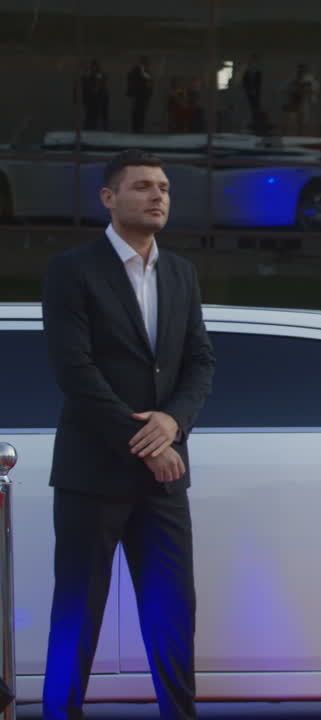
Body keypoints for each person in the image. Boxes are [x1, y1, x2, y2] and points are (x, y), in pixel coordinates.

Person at [41, 149, 216, 720]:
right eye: (142, 186)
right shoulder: (73, 270)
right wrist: (149, 443)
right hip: (92, 475)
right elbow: (75, 372)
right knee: (77, 614)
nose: (158, 195)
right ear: (109, 199)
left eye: (163, 186)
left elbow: (199, 362)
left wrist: (174, 422)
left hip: (164, 485)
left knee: (172, 617)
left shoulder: (181, 273)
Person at [126, 56, 153, 134]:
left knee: (142, 112)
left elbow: (149, 81)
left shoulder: (147, 71)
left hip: (145, 95)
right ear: (142, 62)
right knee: (136, 112)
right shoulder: (136, 69)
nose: (148, 63)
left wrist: (149, 88)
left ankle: (140, 129)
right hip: (138, 95)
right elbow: (131, 79)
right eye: (146, 61)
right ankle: (135, 129)